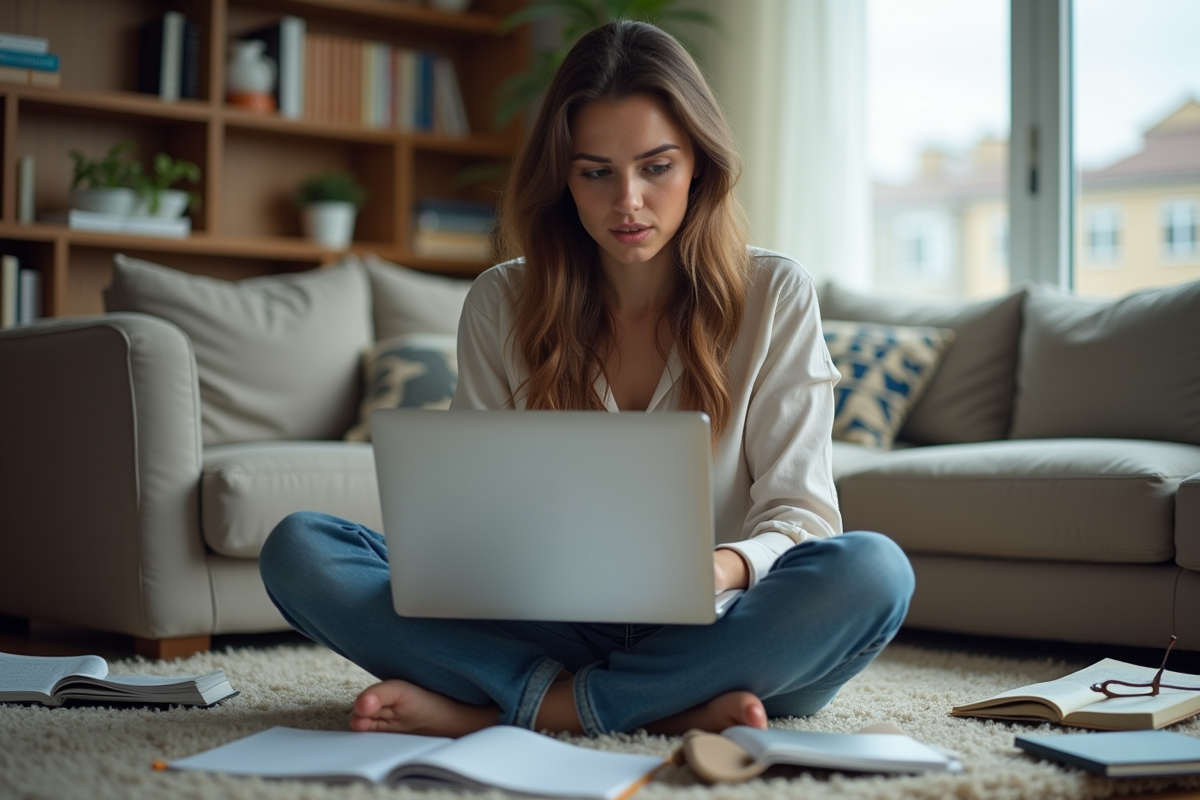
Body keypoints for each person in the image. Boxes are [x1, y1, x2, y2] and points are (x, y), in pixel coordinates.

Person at [259, 19, 914, 739]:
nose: (626, 200)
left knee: (875, 572)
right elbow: (473, 515)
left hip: (726, 630)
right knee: (301, 549)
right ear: (563, 178)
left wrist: (721, 568)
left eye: (656, 167)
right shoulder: (501, 303)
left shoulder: (775, 294)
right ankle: (654, 706)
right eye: (596, 171)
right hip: (553, 626)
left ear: (699, 163)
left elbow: (803, 519)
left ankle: (526, 704)